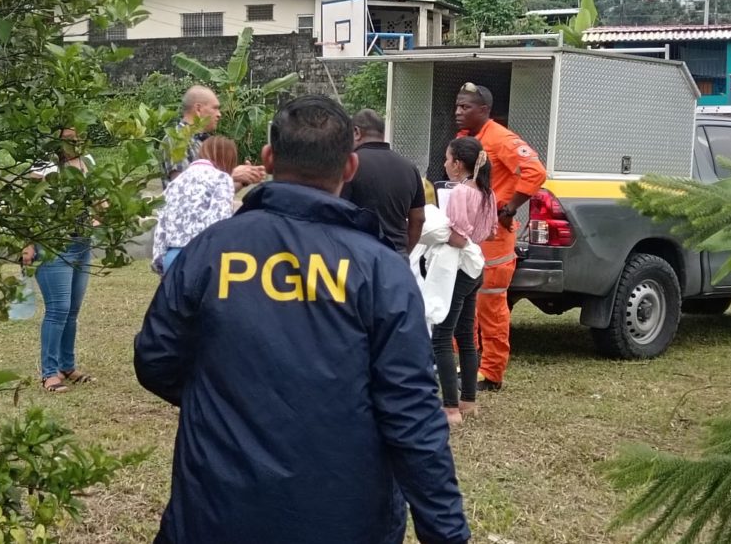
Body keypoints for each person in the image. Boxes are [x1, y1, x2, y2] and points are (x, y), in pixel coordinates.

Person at [135, 96, 470, 544]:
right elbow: (412, 413)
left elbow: (156, 358)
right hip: (344, 515)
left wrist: (229, 401)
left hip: (215, 510)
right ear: (349, 168)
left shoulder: (211, 250)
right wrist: (445, 532)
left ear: (270, 159)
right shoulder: (380, 269)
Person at [455, 82, 547, 391]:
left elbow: (535, 171)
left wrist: (509, 208)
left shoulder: (500, 139)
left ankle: (491, 372)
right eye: (457, 106)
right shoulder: (468, 139)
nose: (458, 112)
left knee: (490, 306)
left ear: (484, 110)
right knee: (463, 302)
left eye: (465, 107)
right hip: (471, 233)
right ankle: (460, 363)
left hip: (493, 239)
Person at [21, 129, 97, 394]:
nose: (75, 140)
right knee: (58, 309)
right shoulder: (43, 165)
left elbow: (97, 199)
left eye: (78, 135)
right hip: (54, 245)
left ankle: (67, 365)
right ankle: (49, 373)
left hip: (82, 244)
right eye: (69, 136)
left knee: (72, 310)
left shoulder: (87, 161)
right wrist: (28, 244)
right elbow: (29, 206)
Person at [434, 137, 498, 426]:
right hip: (476, 267)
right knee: (465, 334)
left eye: (448, 159)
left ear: (458, 164)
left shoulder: (460, 193)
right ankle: (468, 401)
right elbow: (491, 232)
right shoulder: (488, 193)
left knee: (442, 336)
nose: (445, 164)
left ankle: (450, 408)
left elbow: (458, 237)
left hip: (458, 268)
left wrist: (432, 230)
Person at [342, 108, 426, 255]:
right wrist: (403, 253)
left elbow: (337, 212)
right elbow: (418, 219)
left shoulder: (349, 166)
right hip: (396, 256)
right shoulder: (410, 168)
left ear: (356, 132)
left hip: (359, 257)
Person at [151, 136, 239, 274]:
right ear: (227, 158)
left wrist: (160, 263)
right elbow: (219, 221)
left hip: (171, 258)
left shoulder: (175, 183)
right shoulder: (222, 179)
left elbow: (161, 224)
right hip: (200, 258)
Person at [161, 85, 265, 190]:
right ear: (198, 109)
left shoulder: (203, 142)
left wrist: (243, 181)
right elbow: (184, 188)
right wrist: (231, 176)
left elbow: (214, 194)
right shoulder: (176, 139)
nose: (219, 114)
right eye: (215, 108)